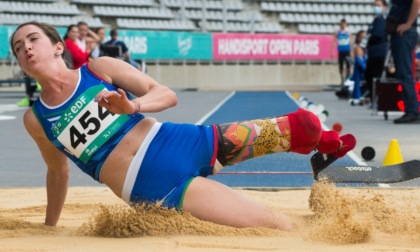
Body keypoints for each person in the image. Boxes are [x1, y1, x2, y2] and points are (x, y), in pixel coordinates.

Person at [10, 21, 356, 230]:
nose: (25, 47)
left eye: (32, 39)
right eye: (17, 46)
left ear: (58, 46)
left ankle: (325, 148)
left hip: (182, 141)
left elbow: (166, 94)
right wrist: (50, 227)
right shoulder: (36, 118)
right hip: (157, 184)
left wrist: (133, 106)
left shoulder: (98, 69)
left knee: (304, 124)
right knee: (277, 225)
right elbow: (58, 173)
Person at [388, 0, 420, 123]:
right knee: (403, 73)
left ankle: (412, 110)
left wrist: (408, 24)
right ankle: (411, 109)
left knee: (405, 73)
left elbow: (416, 2)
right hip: (402, 32)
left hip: (405, 33)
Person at [364, 0, 389, 104]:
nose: (376, 8)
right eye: (375, 5)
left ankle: (379, 100)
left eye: (378, 5)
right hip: (372, 54)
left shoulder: (382, 21)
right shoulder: (375, 20)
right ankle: (374, 99)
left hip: (379, 54)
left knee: (376, 77)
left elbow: (377, 36)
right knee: (369, 76)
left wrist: (369, 38)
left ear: (384, 7)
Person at [332, 19, 352, 85]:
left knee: (348, 65)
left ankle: (347, 78)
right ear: (340, 24)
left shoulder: (348, 31)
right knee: (341, 65)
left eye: (344, 24)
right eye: (342, 24)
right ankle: (342, 79)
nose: (343, 25)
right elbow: (334, 41)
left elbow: (350, 41)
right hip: (341, 51)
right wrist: (332, 51)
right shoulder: (337, 32)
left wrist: (352, 51)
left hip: (347, 50)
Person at [350, 30, 367, 106]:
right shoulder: (357, 47)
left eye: (364, 37)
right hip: (360, 66)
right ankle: (357, 96)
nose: (363, 39)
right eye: (362, 37)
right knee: (357, 79)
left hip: (364, 64)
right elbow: (358, 59)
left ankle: (356, 95)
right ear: (358, 38)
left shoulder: (365, 47)